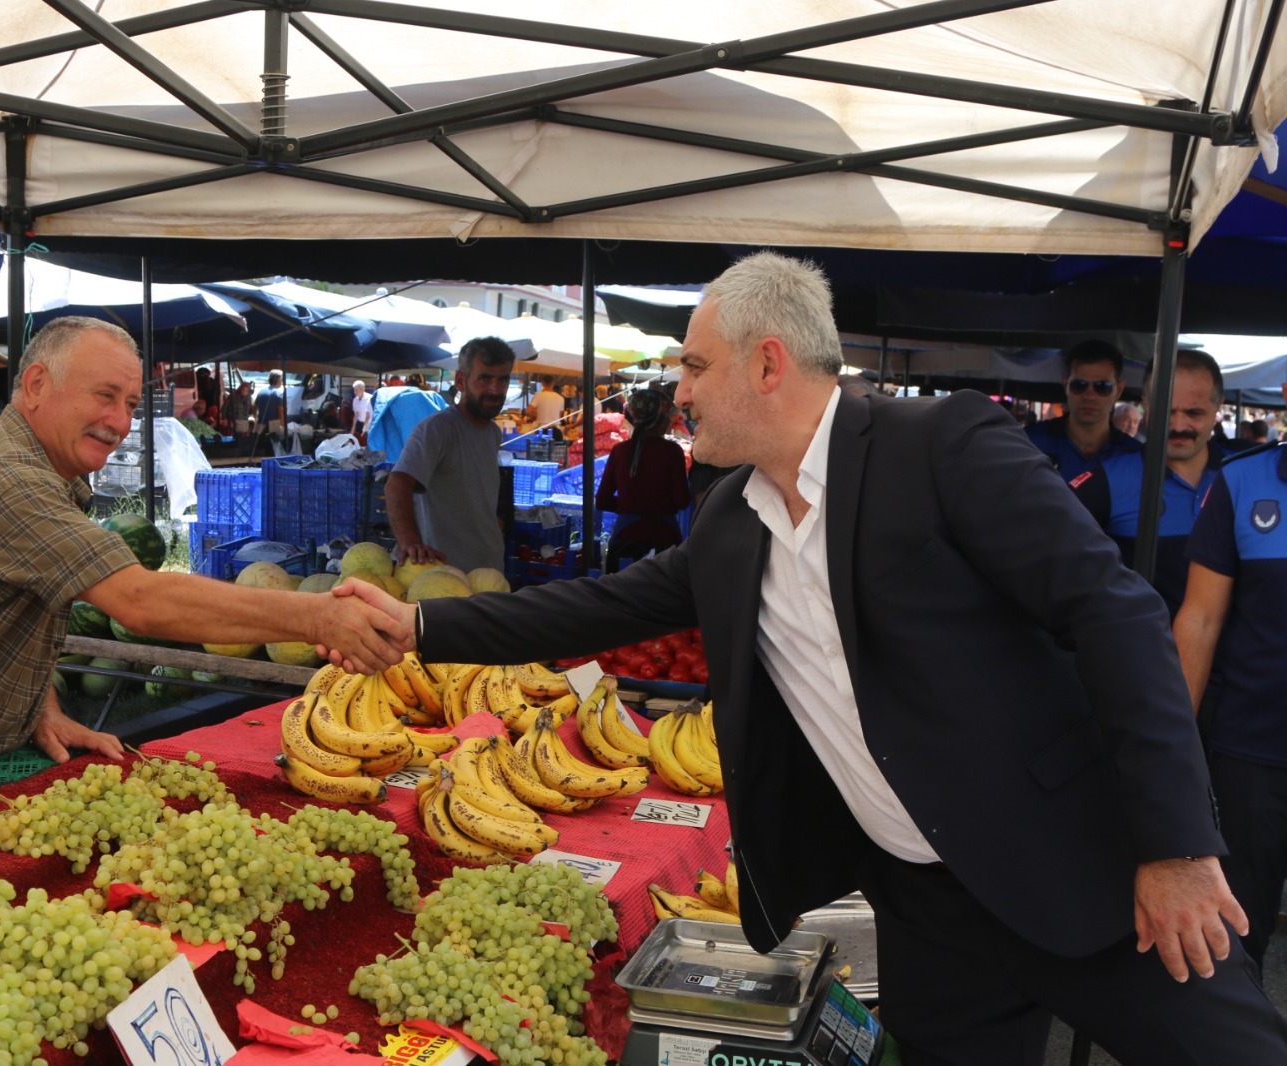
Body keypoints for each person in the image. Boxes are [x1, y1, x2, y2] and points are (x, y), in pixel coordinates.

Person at [341, 252, 1287, 1065]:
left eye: (696, 366)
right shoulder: (728, 523)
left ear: (767, 363)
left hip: (1083, 871)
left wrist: (1175, 846)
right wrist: (417, 630)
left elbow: (1113, 610)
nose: (680, 392)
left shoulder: (938, 443)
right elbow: (590, 609)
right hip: (924, 913)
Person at [0, 318, 410, 819]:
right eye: (106, 396)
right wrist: (318, 614)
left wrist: (36, 707)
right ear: (37, 385)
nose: (120, 421)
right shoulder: (6, 479)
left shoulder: (52, 475)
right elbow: (139, 601)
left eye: (132, 402)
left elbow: (19, 603)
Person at [1173, 377, 1287, 971]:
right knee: (1236, 934)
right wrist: (1172, 744)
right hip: (1251, 753)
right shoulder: (1242, 481)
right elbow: (1200, 620)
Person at [1070, 349, 1226, 617]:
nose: (1178, 425)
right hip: (1143, 652)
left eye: (1194, 412)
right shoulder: (1109, 479)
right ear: (1146, 404)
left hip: (1239, 656)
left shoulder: (1247, 474)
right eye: (1167, 411)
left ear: (1218, 408)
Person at [384, 336, 513, 571]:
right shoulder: (437, 429)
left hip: (489, 572)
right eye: (484, 378)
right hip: (445, 577)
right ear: (461, 381)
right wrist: (412, 543)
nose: (495, 389)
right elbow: (397, 484)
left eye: (503, 380)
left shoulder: (493, 432)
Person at [596, 388, 689, 572]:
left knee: (619, 598)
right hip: (664, 541)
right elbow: (682, 500)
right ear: (662, 420)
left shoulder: (620, 451)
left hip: (624, 538)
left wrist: (629, 505)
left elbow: (602, 500)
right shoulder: (672, 452)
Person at [1024, 339, 1142, 480]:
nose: (1089, 396)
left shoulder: (1133, 456)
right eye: (1079, 385)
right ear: (1066, 385)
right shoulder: (1030, 444)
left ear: (1119, 390)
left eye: (1102, 387)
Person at [253, 370, 288, 451]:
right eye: (281, 379)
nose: (282, 381)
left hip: (261, 423)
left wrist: (256, 418)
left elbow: (254, 406)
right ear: (277, 380)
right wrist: (283, 425)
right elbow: (281, 410)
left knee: (259, 445)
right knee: (272, 446)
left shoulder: (261, 391)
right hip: (274, 423)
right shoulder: (278, 393)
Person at [350, 379, 373, 445]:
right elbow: (356, 415)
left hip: (368, 424)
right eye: (354, 390)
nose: (355, 392)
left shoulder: (370, 398)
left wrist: (364, 429)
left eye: (356, 390)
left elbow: (368, 416)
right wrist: (352, 430)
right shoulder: (355, 400)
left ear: (362, 389)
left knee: (366, 443)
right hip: (360, 424)